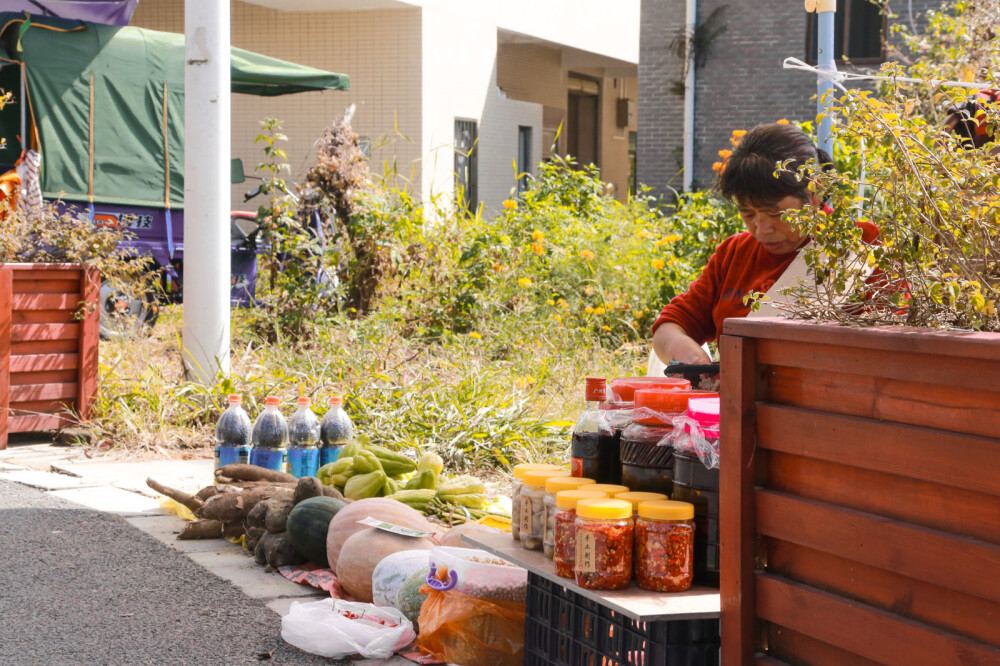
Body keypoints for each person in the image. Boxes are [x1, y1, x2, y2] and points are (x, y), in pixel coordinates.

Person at [651, 123, 879, 366]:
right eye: (748, 214)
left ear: (814, 192)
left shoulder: (861, 244)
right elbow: (671, 325)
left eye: (776, 214)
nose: (761, 230)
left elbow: (896, 338)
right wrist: (694, 360)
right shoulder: (734, 253)